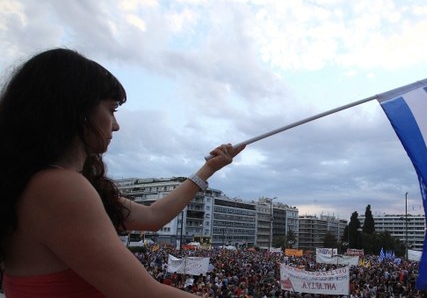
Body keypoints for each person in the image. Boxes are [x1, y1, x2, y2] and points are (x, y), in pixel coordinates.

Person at [0, 48, 245, 297]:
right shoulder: (58, 187)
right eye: (111, 110)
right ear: (78, 110)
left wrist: (208, 169)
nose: (116, 126)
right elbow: (142, 293)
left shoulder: (39, 183)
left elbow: (153, 216)